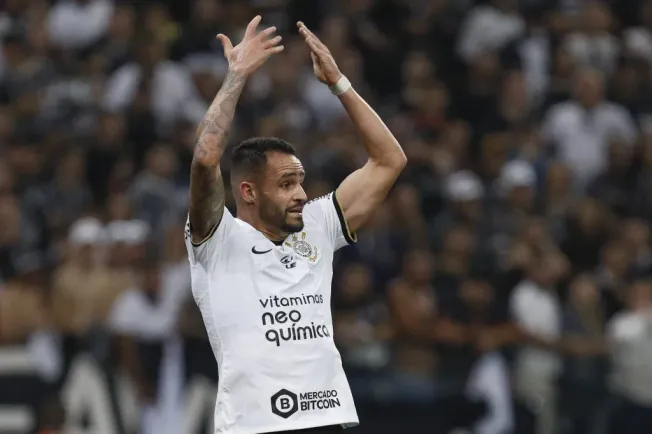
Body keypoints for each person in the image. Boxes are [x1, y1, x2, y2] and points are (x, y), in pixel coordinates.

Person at [184, 15, 407, 434]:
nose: (302, 195)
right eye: (287, 184)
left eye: (301, 182)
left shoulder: (316, 224)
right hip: (256, 425)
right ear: (248, 192)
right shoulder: (216, 239)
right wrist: (236, 77)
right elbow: (205, 157)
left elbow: (389, 161)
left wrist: (340, 84)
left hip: (328, 417)